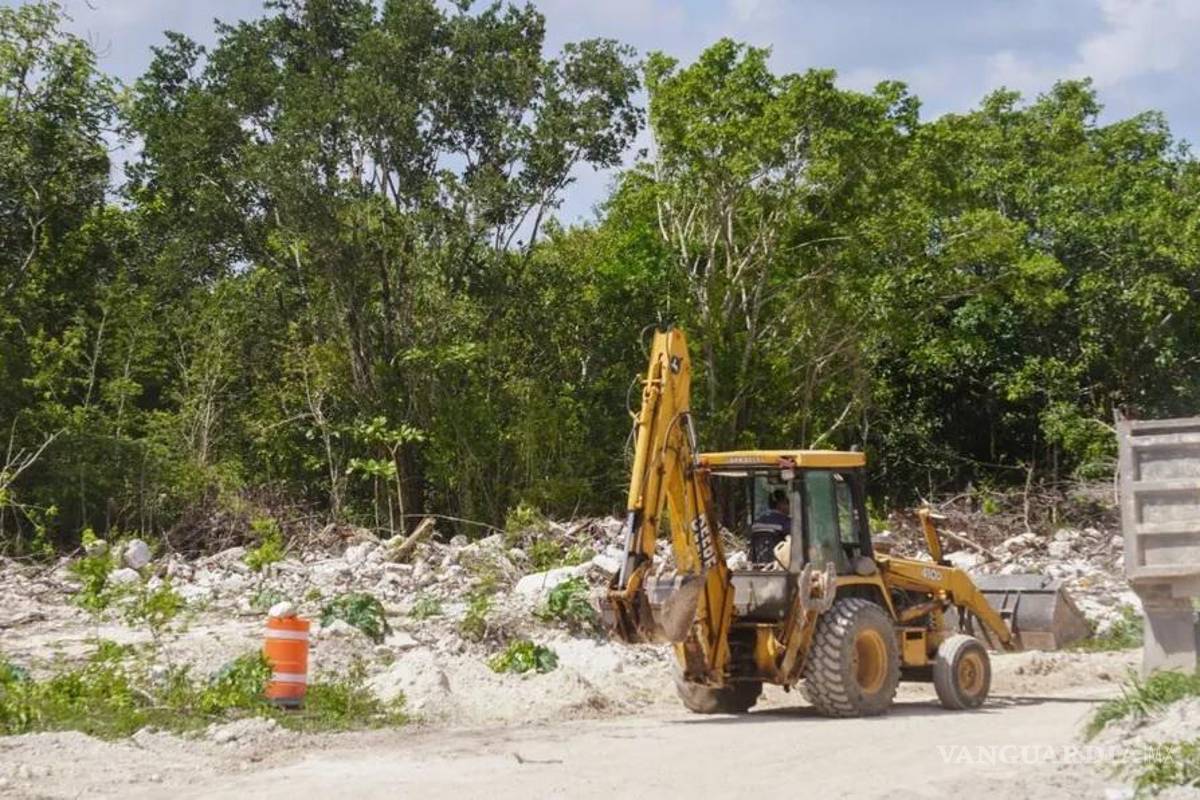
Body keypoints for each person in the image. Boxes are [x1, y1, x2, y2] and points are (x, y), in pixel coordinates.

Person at [750, 489, 792, 565]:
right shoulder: (786, 522)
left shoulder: (757, 522)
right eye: (787, 503)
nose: (789, 506)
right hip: (780, 565)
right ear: (780, 504)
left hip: (758, 564)